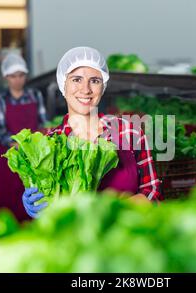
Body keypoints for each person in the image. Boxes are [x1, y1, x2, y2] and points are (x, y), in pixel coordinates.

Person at [21, 46, 162, 218]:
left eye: (94, 80)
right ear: (62, 85)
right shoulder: (50, 145)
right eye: (76, 79)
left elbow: (152, 194)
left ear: (103, 87)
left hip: (126, 238)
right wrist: (38, 205)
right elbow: (54, 214)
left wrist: (104, 211)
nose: (86, 89)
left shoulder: (129, 131)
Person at [0, 53, 48, 221]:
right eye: (13, 76)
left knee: (33, 201)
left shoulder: (35, 96)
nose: (17, 80)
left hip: (33, 159)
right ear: (6, 77)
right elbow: (1, 133)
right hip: (9, 160)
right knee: (8, 204)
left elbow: (43, 124)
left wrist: (36, 146)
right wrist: (22, 146)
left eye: (21, 75)